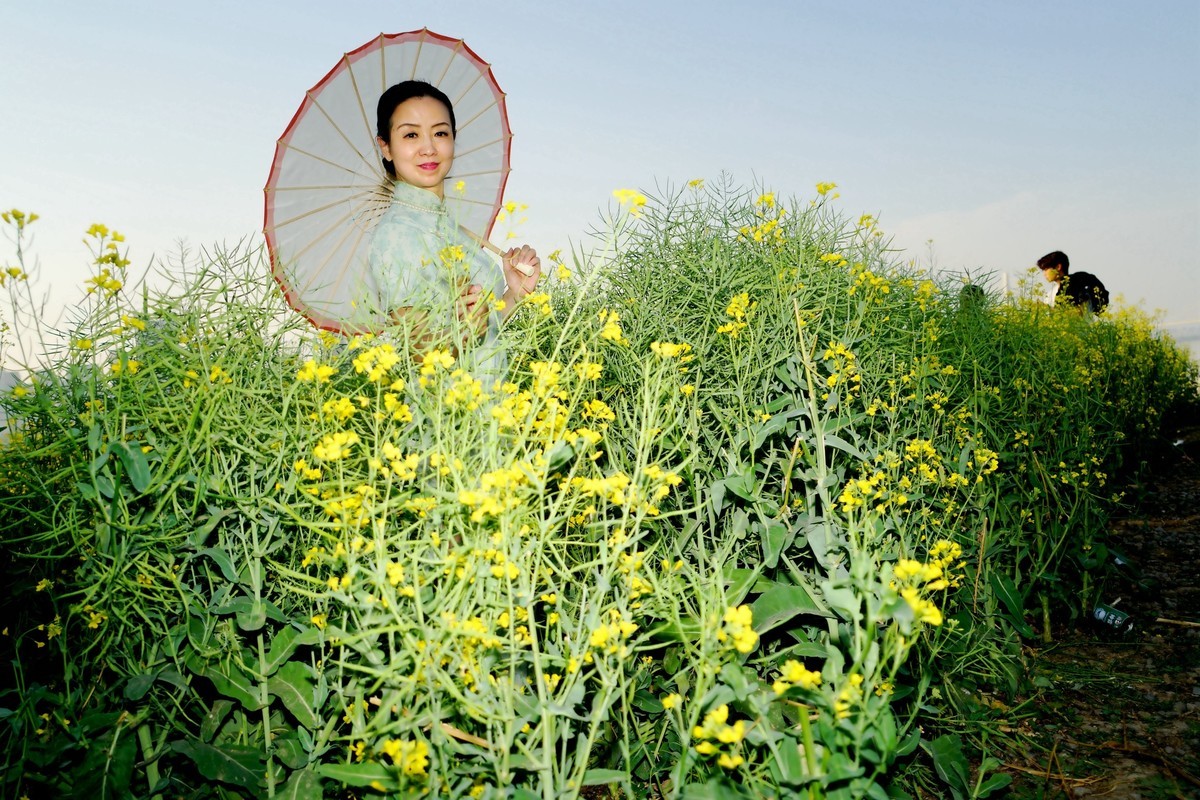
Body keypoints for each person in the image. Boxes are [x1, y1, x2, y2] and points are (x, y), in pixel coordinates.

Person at [367, 80, 540, 372]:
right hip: (447, 414)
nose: (429, 148)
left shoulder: (451, 228)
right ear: (386, 147)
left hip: (489, 408)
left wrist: (514, 293)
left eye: (440, 133)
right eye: (410, 134)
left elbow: (486, 335)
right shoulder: (396, 234)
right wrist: (468, 327)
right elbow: (421, 355)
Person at [1037, 251, 1108, 313]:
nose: (1044, 274)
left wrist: (1048, 309)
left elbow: (1078, 314)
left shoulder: (1077, 283)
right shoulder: (1050, 294)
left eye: (1046, 269)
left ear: (1058, 267)